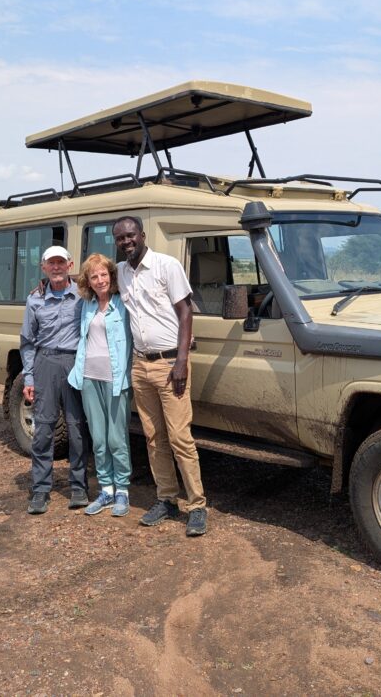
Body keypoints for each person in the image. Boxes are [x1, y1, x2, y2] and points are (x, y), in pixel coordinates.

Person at [112, 216, 207, 536]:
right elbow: (90, 278)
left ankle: (197, 505)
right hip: (140, 366)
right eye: (120, 238)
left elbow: (186, 312)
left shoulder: (167, 266)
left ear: (142, 235)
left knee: (180, 437)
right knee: (154, 438)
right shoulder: (121, 272)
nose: (126, 242)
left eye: (130, 235)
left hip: (170, 365)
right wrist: (48, 283)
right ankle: (166, 499)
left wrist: (182, 361)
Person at [19, 245, 90, 514]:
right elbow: (27, 342)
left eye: (61, 262)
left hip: (74, 363)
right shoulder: (34, 300)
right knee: (44, 429)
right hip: (45, 362)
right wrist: (29, 377)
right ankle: (40, 489)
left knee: (77, 429)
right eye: (52, 263)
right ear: (44, 267)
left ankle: (79, 487)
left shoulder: (83, 295)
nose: (57, 267)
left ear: (70, 265)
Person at [66, 253, 133, 517]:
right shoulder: (87, 304)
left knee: (117, 438)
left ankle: (122, 491)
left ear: (111, 277)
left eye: (104, 274)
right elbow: (63, 280)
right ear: (88, 281)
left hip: (116, 380)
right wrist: (43, 282)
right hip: (89, 378)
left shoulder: (123, 303)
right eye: (94, 276)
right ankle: (106, 490)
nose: (100, 280)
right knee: (99, 438)